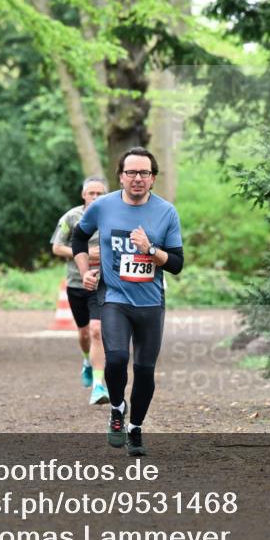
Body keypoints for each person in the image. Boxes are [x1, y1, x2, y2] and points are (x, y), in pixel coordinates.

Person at [72, 147, 184, 456]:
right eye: (131, 172)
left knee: (145, 370)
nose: (137, 178)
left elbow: (176, 263)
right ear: (121, 177)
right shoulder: (102, 207)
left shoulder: (166, 212)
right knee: (118, 358)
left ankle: (136, 428)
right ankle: (117, 408)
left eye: (144, 173)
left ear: (153, 178)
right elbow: (78, 238)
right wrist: (85, 272)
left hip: (150, 302)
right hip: (114, 297)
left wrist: (150, 250)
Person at [51, 176, 109, 404]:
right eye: (91, 193)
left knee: (96, 331)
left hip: (102, 282)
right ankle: (87, 360)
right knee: (84, 333)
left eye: (100, 194)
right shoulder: (71, 217)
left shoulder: (112, 216)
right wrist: (82, 253)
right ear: (83, 195)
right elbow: (56, 247)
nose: (95, 197)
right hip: (76, 283)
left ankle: (98, 386)